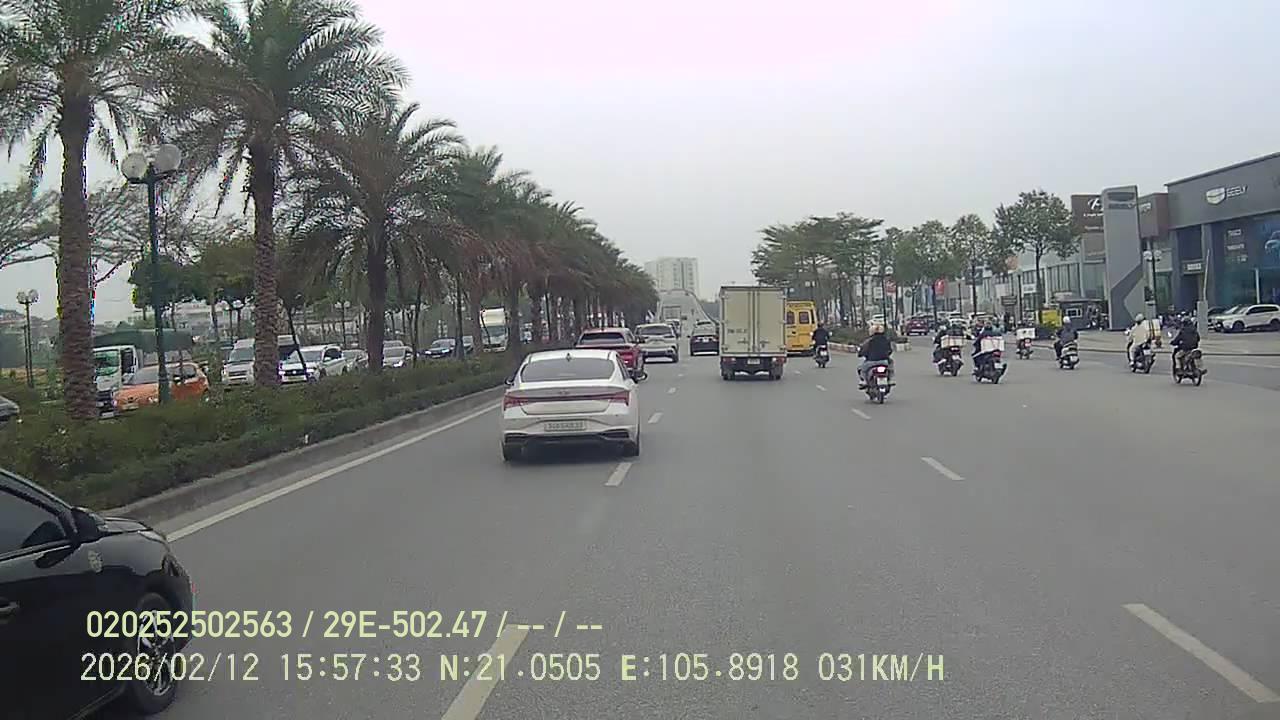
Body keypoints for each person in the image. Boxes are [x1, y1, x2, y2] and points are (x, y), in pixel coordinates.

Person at [858, 323, 894, 388]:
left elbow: (863, 351)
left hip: (871, 362)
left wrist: (861, 354)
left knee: (862, 369)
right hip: (884, 361)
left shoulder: (868, 341)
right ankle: (890, 380)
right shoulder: (886, 340)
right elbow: (890, 350)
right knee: (890, 367)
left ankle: (864, 381)